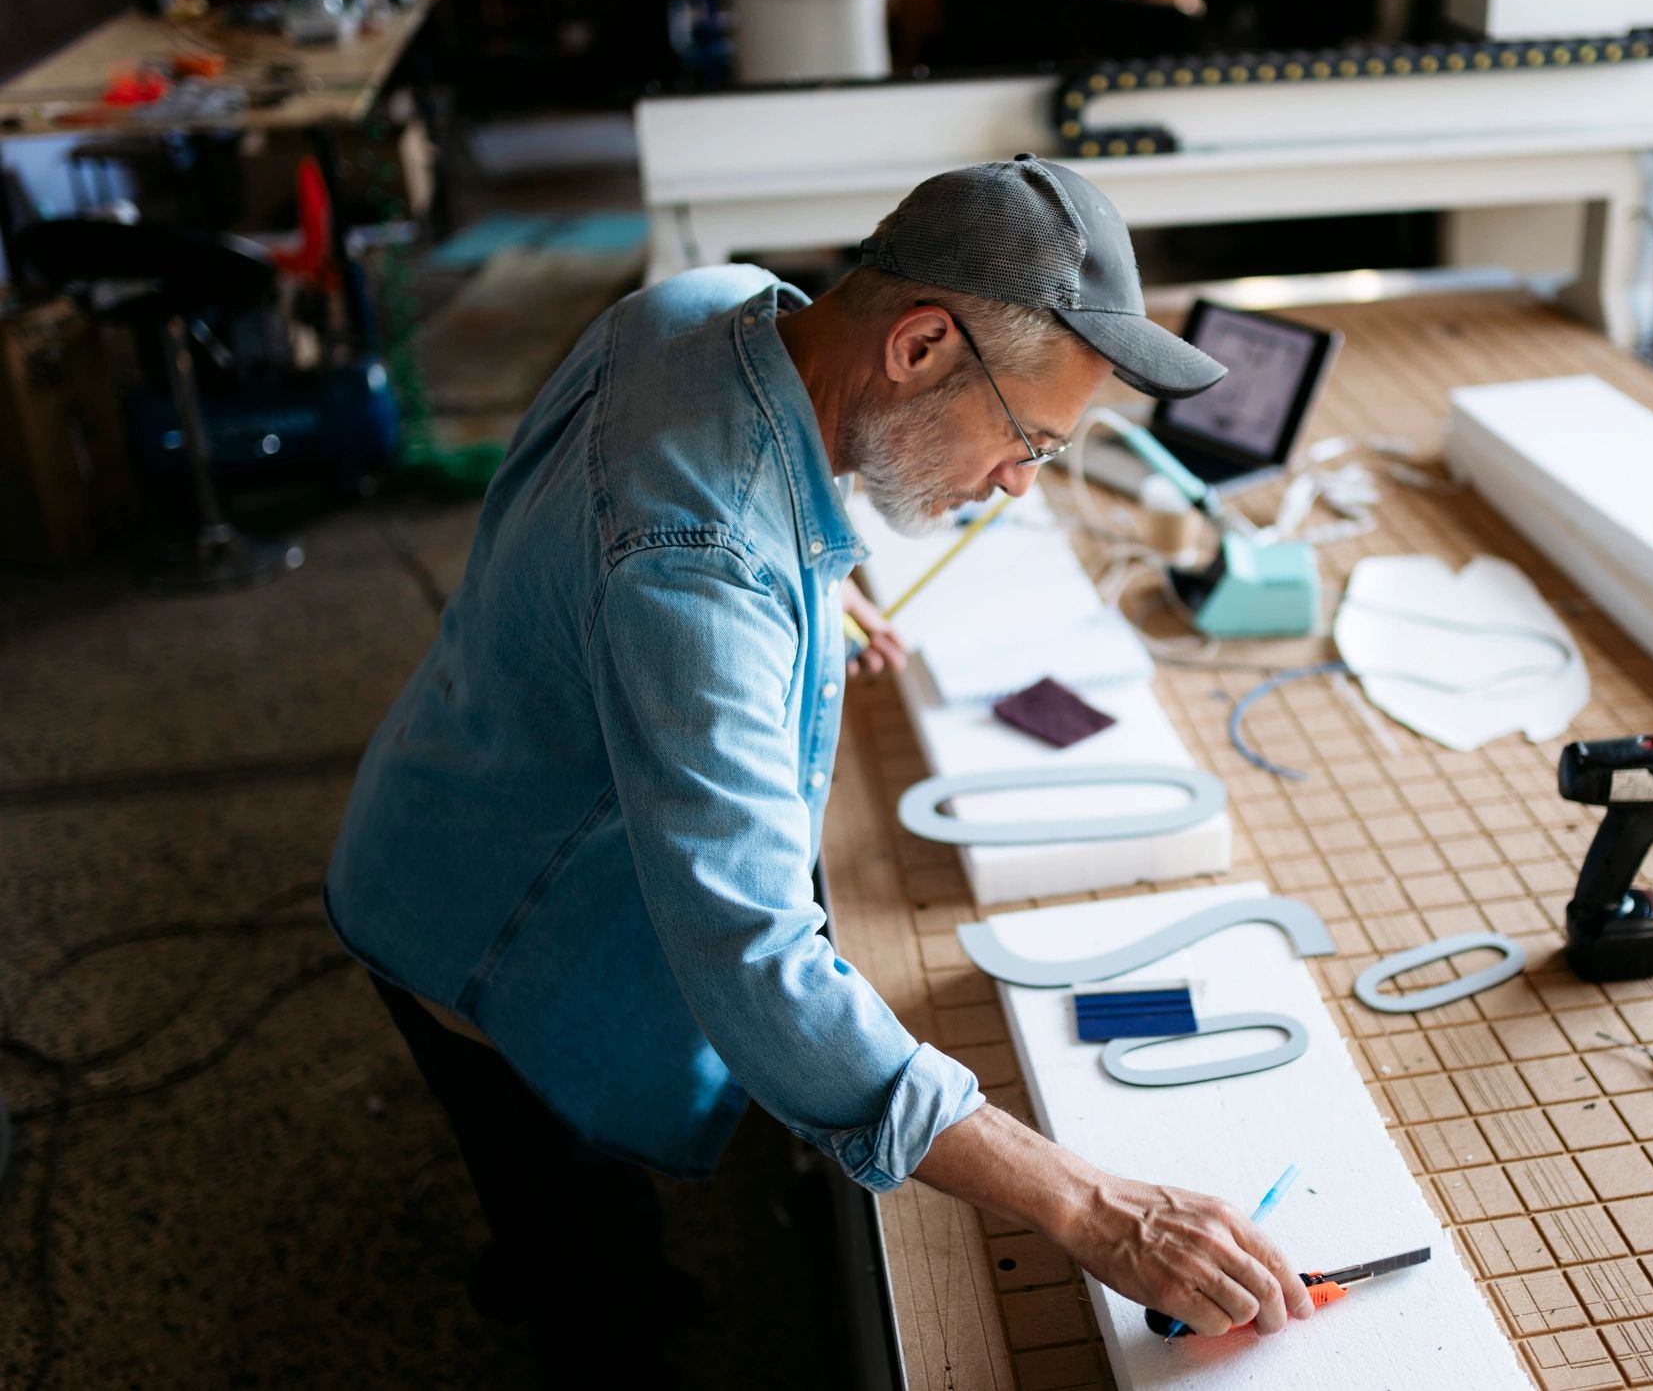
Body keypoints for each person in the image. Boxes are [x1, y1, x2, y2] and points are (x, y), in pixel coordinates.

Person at [325, 154, 1312, 1381]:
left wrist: (806, 579)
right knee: (584, 1259)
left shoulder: (709, 306)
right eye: (1027, 441)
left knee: (566, 1211)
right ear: (916, 347)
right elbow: (757, 955)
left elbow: (628, 514)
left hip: (450, 771)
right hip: (482, 919)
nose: (1012, 485)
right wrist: (1089, 1207)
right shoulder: (694, 564)